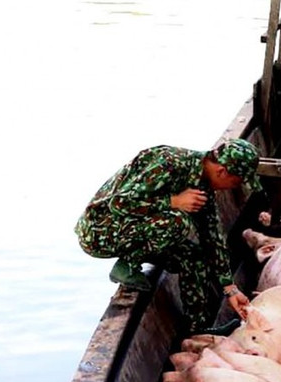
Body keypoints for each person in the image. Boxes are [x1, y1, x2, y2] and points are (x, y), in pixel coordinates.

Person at [75, 139, 258, 335]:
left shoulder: (203, 185)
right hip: (100, 231)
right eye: (236, 182)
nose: (232, 188)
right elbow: (119, 204)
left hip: (138, 231)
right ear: (222, 171)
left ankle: (197, 329)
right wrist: (172, 201)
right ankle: (127, 264)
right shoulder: (169, 163)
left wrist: (230, 288)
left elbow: (212, 238)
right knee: (178, 222)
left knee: (194, 257)